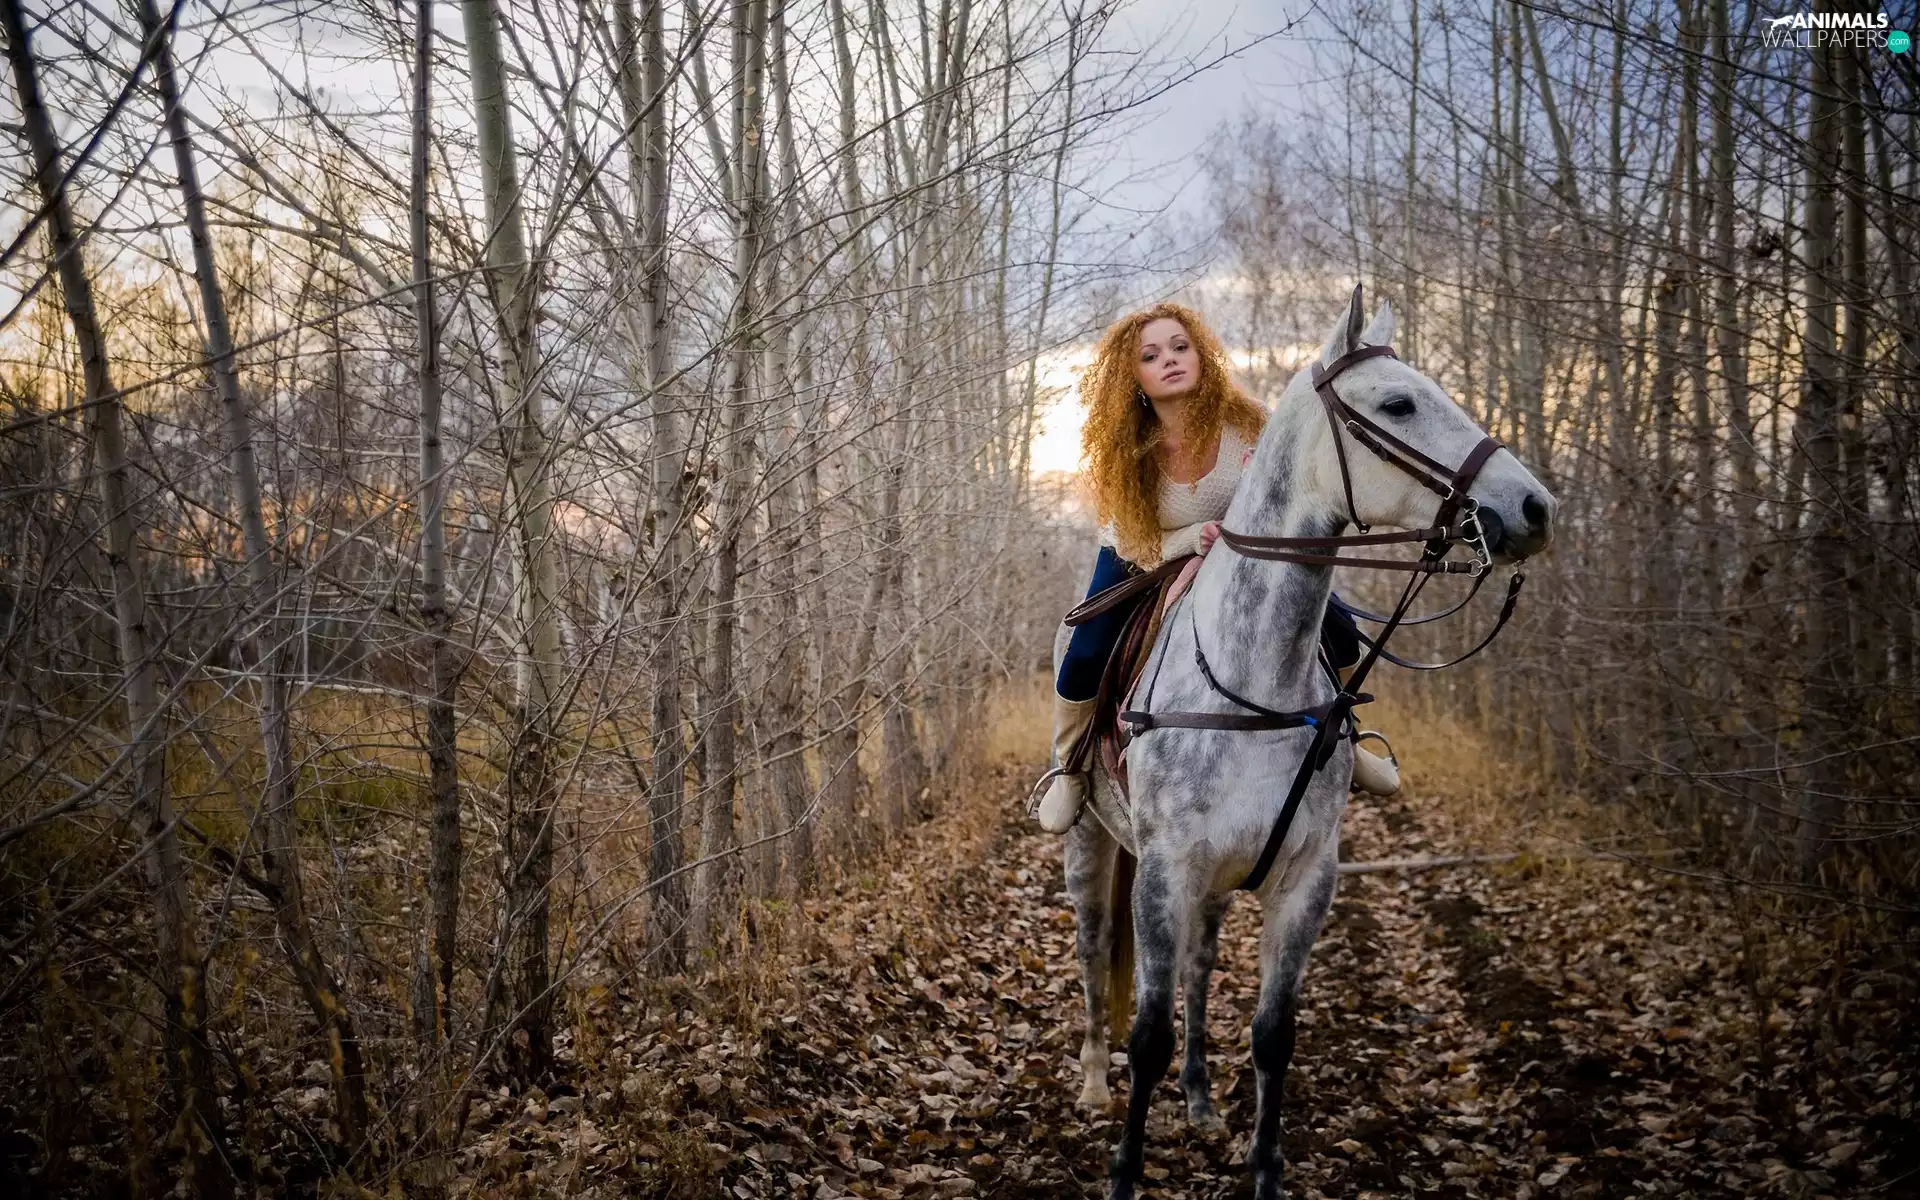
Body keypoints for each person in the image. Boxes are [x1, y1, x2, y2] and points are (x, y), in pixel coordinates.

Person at [1036, 302, 1398, 834]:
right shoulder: (1126, 451)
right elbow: (1136, 536)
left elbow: (1287, 491)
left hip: (1246, 552)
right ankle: (1069, 768)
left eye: (1181, 347)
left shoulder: (1248, 420)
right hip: (1142, 552)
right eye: (1152, 355)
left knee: (1341, 628)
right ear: (1131, 375)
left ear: (1201, 353)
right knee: (1086, 647)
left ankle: (1351, 734)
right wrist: (1194, 538)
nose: (1171, 360)